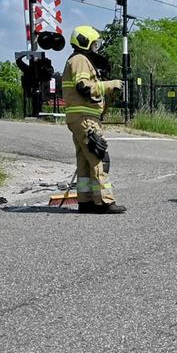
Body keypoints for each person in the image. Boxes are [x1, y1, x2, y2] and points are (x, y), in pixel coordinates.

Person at [62, 25, 125, 213]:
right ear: (85, 42)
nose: (96, 47)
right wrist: (109, 85)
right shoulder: (81, 60)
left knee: (84, 160)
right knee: (99, 157)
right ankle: (104, 201)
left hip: (78, 118)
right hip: (85, 118)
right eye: (94, 43)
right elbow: (84, 87)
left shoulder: (74, 60)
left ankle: (86, 201)